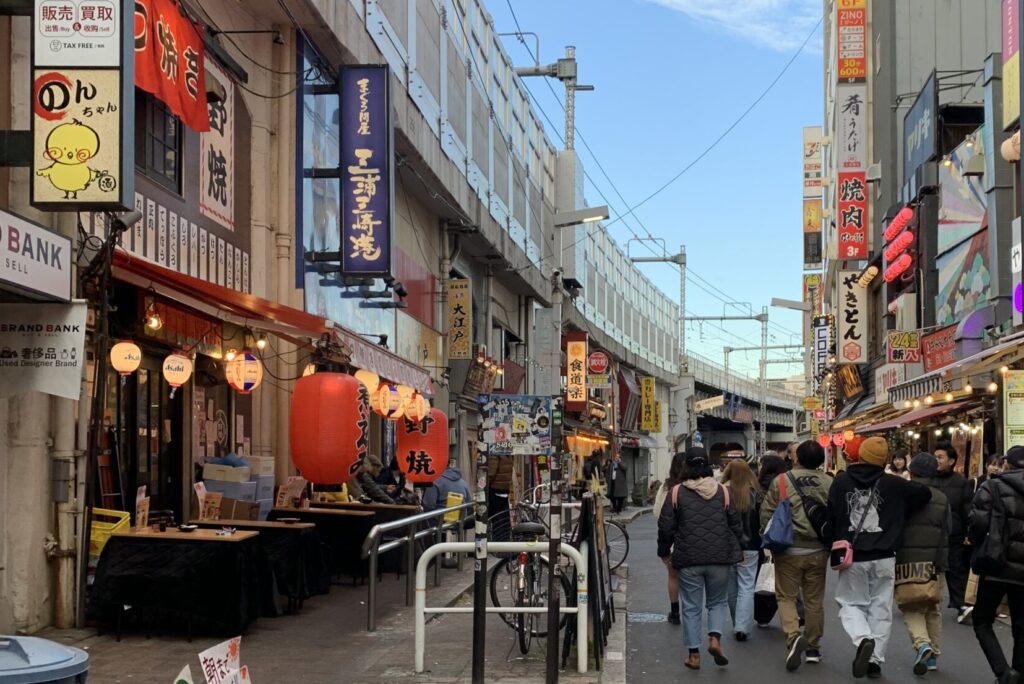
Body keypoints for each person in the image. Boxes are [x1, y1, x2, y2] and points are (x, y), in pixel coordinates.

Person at [826, 435, 932, 679]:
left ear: (860, 455)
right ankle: (875, 661)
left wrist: (831, 543)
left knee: (850, 603)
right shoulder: (895, 484)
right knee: (880, 608)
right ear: (885, 460)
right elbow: (924, 494)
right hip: (885, 555)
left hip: (852, 555)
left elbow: (832, 515)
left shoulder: (841, 482)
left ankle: (863, 639)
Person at [658, 446, 743, 671]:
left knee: (692, 607)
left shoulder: (676, 492)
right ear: (707, 465)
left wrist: (664, 552)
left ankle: (694, 655)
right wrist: (740, 551)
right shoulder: (723, 492)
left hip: (688, 558)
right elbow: (735, 524)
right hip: (720, 557)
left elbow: (666, 527)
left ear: (686, 466)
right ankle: (714, 639)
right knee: (716, 602)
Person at [760, 440, 833, 671]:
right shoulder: (829, 482)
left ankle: (793, 636)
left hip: (789, 548)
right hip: (818, 550)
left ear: (796, 458)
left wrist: (767, 539)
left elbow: (766, 514)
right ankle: (813, 647)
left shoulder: (781, 481)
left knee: (786, 597)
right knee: (814, 600)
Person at [968, 445, 1024, 684]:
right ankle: (1019, 674)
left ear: (1006, 464)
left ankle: (1003, 672)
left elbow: (977, 524)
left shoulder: (991, 486)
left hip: (996, 563)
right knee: (1021, 626)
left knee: (982, 620)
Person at [895, 453, 950, 676]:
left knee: (910, 605)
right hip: (936, 561)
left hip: (907, 560)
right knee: (933, 607)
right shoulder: (942, 498)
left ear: (913, 472)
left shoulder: (904, 494)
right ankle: (933, 656)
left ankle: (922, 643)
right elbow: (949, 531)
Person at [933, 441, 974, 624]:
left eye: (940, 457)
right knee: (929, 568)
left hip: (954, 532)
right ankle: (921, 599)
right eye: (935, 457)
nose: (937, 461)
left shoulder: (961, 482)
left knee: (955, 568)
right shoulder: (930, 479)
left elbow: (967, 509)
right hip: (932, 532)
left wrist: (968, 532)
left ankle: (960, 604)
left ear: (951, 461)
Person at [722, 459, 762, 642]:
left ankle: (736, 622)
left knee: (731, 586)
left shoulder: (722, 492)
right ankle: (742, 626)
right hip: (751, 544)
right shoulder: (755, 493)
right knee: (747, 586)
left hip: (728, 545)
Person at [755, 454, 790, 628]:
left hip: (765, 536)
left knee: (764, 572)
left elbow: (763, 512)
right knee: (786, 577)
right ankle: (794, 614)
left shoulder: (758, 485)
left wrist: (763, 533)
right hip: (785, 534)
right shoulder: (787, 483)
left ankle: (763, 616)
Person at [653, 452, 687, 624]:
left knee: (673, 577)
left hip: (673, 540)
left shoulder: (667, 487)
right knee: (691, 579)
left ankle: (675, 612)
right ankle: (690, 612)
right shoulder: (696, 485)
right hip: (692, 540)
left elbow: (657, 512)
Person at [487, 453, 514, 541]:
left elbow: (491, 473)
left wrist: (483, 483)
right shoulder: (508, 455)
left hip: (495, 489)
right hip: (504, 489)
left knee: (494, 518)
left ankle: (496, 542)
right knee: (503, 518)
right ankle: (504, 541)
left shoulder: (495, 454)